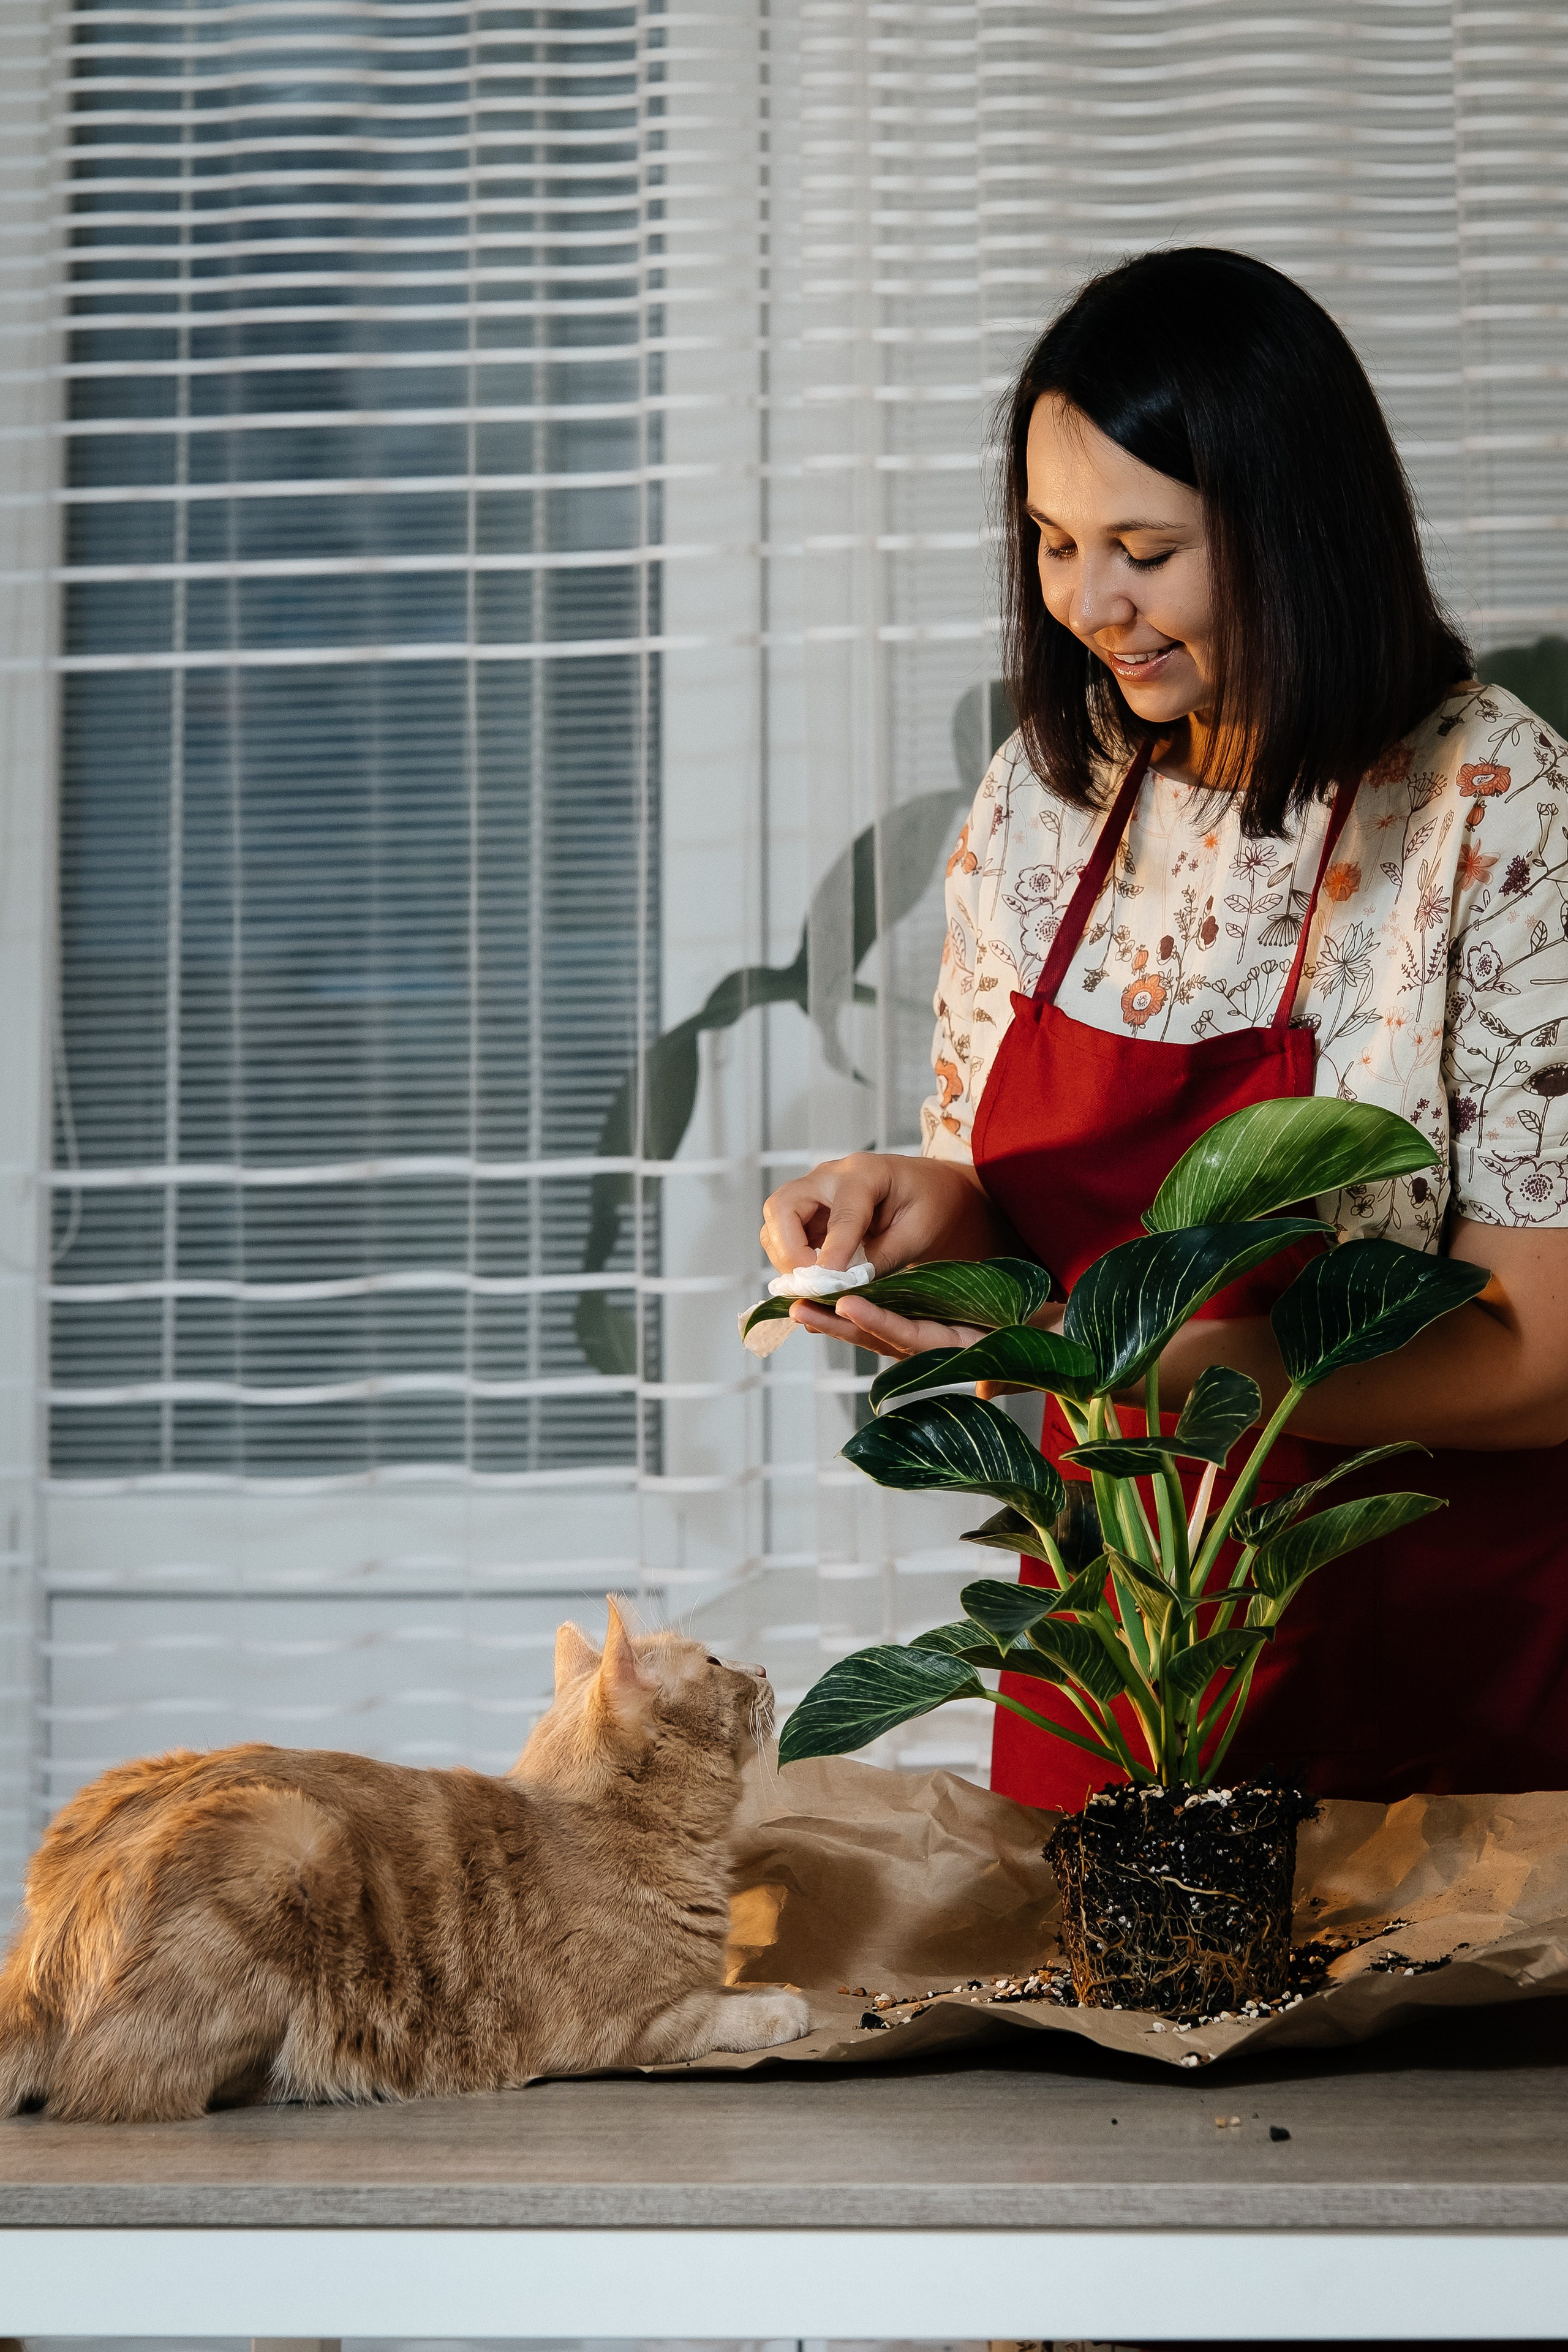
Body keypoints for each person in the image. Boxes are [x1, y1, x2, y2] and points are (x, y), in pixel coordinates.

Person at [761, 247, 1568, 1809]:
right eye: (1056, 544)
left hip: (1432, 1686)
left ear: (1294, 534)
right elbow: (992, 1192)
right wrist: (893, 1207)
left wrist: (1154, 1367)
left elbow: (1541, 1359)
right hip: (1124, 1669)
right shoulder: (1047, 793)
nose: (1088, 607)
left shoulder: (1495, 807)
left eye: (1144, 548)